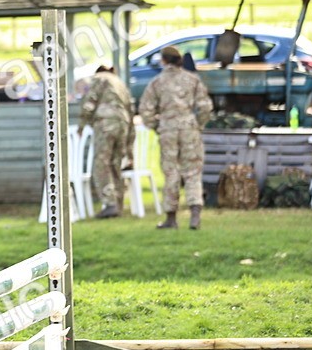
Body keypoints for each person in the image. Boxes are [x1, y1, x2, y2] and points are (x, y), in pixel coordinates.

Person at [138, 45, 214, 229]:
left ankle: (171, 217)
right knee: (193, 171)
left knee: (171, 172)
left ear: (163, 60)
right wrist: (198, 124)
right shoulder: (192, 79)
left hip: (168, 129)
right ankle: (195, 214)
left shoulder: (157, 82)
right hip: (189, 128)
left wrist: (158, 126)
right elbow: (205, 107)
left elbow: (145, 110)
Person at [79, 66, 134, 219]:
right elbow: (131, 108)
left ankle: (109, 204)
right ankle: (119, 203)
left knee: (101, 163)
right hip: (123, 123)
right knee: (115, 163)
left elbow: (90, 101)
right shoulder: (120, 83)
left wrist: (82, 124)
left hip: (105, 123)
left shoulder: (99, 78)